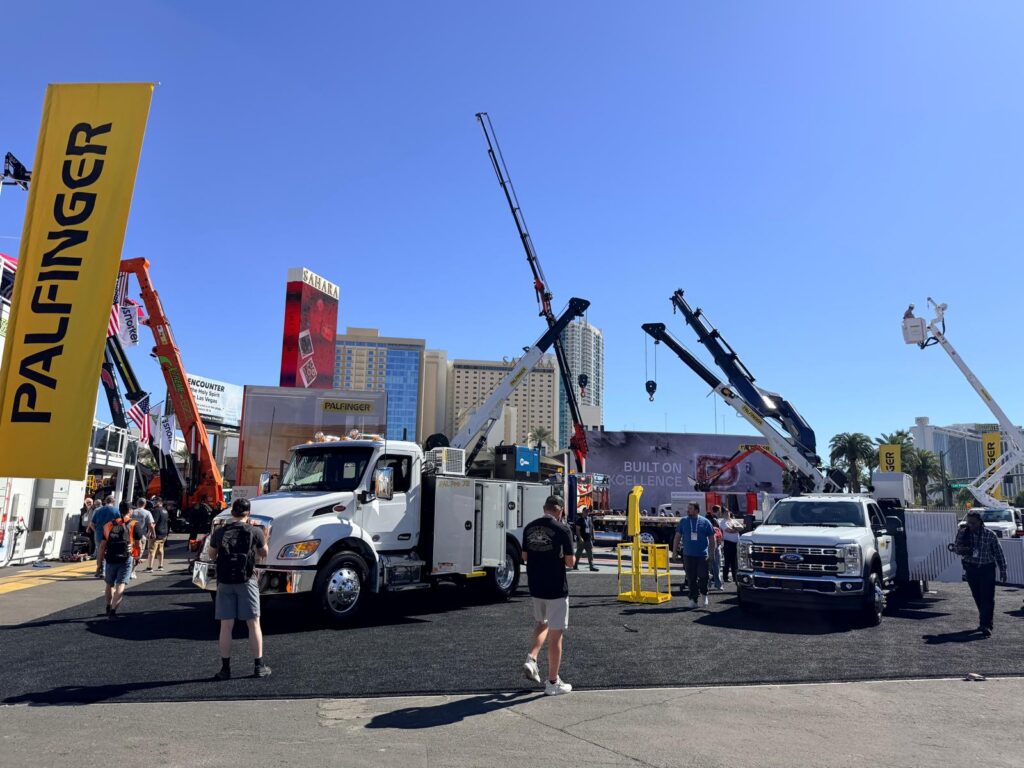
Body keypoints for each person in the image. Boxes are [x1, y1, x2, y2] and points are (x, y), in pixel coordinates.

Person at [206, 498, 270, 680]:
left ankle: (225, 669)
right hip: (246, 580)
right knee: (253, 623)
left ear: (232, 512)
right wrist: (263, 540)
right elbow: (264, 553)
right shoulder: (255, 531)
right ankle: (259, 666)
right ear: (248, 513)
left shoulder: (220, 532)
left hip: (225, 581)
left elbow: (211, 555)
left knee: (226, 626)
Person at [521, 495, 575, 695]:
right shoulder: (563, 529)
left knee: (541, 623)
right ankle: (552, 682)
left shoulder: (529, 527)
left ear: (545, 508)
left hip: (536, 586)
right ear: (560, 510)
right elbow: (570, 562)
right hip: (555, 587)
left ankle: (532, 658)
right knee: (556, 634)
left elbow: (525, 556)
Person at [953, 510, 1007, 636]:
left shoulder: (990, 535)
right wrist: (961, 549)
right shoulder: (963, 533)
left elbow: (998, 553)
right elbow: (956, 548)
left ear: (980, 522)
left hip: (987, 568)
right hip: (971, 569)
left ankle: (985, 624)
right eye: (969, 522)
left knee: (987, 597)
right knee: (977, 596)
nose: (970, 525)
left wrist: (1003, 570)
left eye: (973, 523)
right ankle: (984, 620)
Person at [101, 502, 141, 618]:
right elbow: (138, 544)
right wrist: (137, 557)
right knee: (121, 584)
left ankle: (108, 605)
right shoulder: (134, 524)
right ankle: (113, 611)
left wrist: (99, 563)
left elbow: (103, 545)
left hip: (110, 557)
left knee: (109, 584)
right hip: (125, 557)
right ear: (129, 510)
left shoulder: (108, 525)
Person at [672, 502, 715, 608]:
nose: (688, 510)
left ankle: (704, 594)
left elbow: (712, 538)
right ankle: (693, 599)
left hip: (702, 555)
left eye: (690, 508)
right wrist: (674, 551)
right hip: (688, 555)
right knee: (691, 578)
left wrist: (712, 553)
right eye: (688, 508)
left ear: (696, 510)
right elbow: (677, 537)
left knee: (703, 577)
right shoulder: (683, 521)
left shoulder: (705, 522)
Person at [88, 495, 119, 578]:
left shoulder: (98, 510)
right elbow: (119, 523)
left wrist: (96, 531)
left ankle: (99, 569)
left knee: (100, 552)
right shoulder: (116, 510)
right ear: (113, 501)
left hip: (99, 534)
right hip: (111, 535)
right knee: (109, 552)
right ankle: (106, 571)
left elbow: (91, 524)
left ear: (105, 501)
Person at [130, 498, 156, 579]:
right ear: (145, 504)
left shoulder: (132, 512)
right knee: (138, 554)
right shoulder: (147, 512)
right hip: (141, 536)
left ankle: (128, 570)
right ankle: (133, 571)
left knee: (130, 553)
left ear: (137, 503)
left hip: (130, 535)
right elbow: (151, 525)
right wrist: (153, 534)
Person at [146, 500, 170, 572]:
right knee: (160, 550)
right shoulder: (165, 511)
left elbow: (153, 523)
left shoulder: (156, 510)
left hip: (156, 533)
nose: (153, 503)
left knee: (151, 550)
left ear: (158, 503)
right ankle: (160, 566)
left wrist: (149, 532)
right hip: (164, 533)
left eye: (155, 502)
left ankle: (150, 567)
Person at [572, 507, 598, 572]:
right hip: (582, 540)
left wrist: (593, 536)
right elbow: (577, 530)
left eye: (588, 511)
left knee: (590, 553)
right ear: (583, 512)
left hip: (588, 539)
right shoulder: (579, 520)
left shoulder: (589, 519)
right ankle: (575, 564)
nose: (587, 513)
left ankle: (591, 566)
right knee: (578, 553)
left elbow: (592, 528)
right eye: (586, 511)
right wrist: (580, 537)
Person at [720, 507, 741, 583]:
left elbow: (742, 527)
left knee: (734, 562)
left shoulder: (733, 520)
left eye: (728, 512)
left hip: (736, 543)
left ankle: (735, 577)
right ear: (722, 514)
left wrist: (734, 528)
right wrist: (736, 529)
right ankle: (725, 577)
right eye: (725, 513)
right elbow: (729, 530)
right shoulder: (723, 522)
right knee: (727, 561)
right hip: (728, 543)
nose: (727, 514)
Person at [706, 508, 724, 590]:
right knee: (716, 567)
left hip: (710, 548)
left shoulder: (708, 527)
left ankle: (708, 584)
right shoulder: (716, 528)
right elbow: (720, 539)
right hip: (716, 548)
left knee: (709, 568)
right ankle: (718, 584)